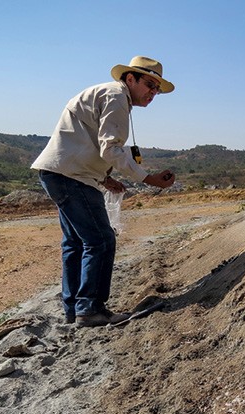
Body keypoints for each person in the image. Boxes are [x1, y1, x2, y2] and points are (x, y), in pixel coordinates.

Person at [32, 56, 176, 327]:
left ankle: (74, 310)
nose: (153, 93)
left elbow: (88, 141)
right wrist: (147, 178)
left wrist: (105, 178)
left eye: (157, 88)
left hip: (63, 173)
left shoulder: (110, 96)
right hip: (71, 177)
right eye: (149, 84)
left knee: (76, 244)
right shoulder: (116, 97)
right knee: (100, 240)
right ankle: (90, 309)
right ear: (129, 78)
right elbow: (110, 149)